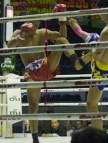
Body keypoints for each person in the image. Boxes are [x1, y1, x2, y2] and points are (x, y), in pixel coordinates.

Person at [68, 0, 108, 130]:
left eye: (99, 12)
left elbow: (96, 56)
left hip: (100, 70)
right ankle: (74, 24)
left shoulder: (107, 31)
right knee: (90, 36)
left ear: (103, 10)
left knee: (91, 105)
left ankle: (99, 136)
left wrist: (92, 47)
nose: (99, 15)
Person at [7, 4, 67, 143]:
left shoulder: (42, 32)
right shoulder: (18, 33)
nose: (35, 27)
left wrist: (62, 21)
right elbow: (9, 46)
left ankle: (76, 60)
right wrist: (21, 36)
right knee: (33, 105)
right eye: (33, 24)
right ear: (27, 23)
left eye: (37, 24)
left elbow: (62, 37)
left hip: (45, 65)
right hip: (30, 70)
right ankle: (35, 139)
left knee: (60, 42)